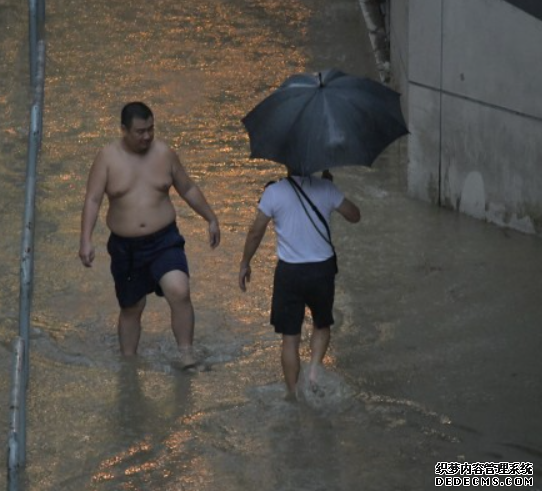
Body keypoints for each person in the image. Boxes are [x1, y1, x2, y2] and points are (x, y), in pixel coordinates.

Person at [79, 102, 220, 368]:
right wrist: (85, 240)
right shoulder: (107, 158)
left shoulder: (164, 153)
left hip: (164, 240)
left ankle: (186, 354)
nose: (146, 136)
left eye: (151, 129)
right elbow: (93, 200)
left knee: (179, 290)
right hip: (125, 247)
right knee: (132, 307)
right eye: (140, 131)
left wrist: (210, 218)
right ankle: (129, 366)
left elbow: (187, 188)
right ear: (123, 130)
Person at [238, 170, 360, 398]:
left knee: (290, 338)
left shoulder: (273, 192)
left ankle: (293, 394)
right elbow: (355, 216)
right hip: (321, 270)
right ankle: (314, 369)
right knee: (322, 324)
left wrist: (245, 262)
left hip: (289, 273)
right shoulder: (326, 188)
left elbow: (255, 232)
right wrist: (331, 192)